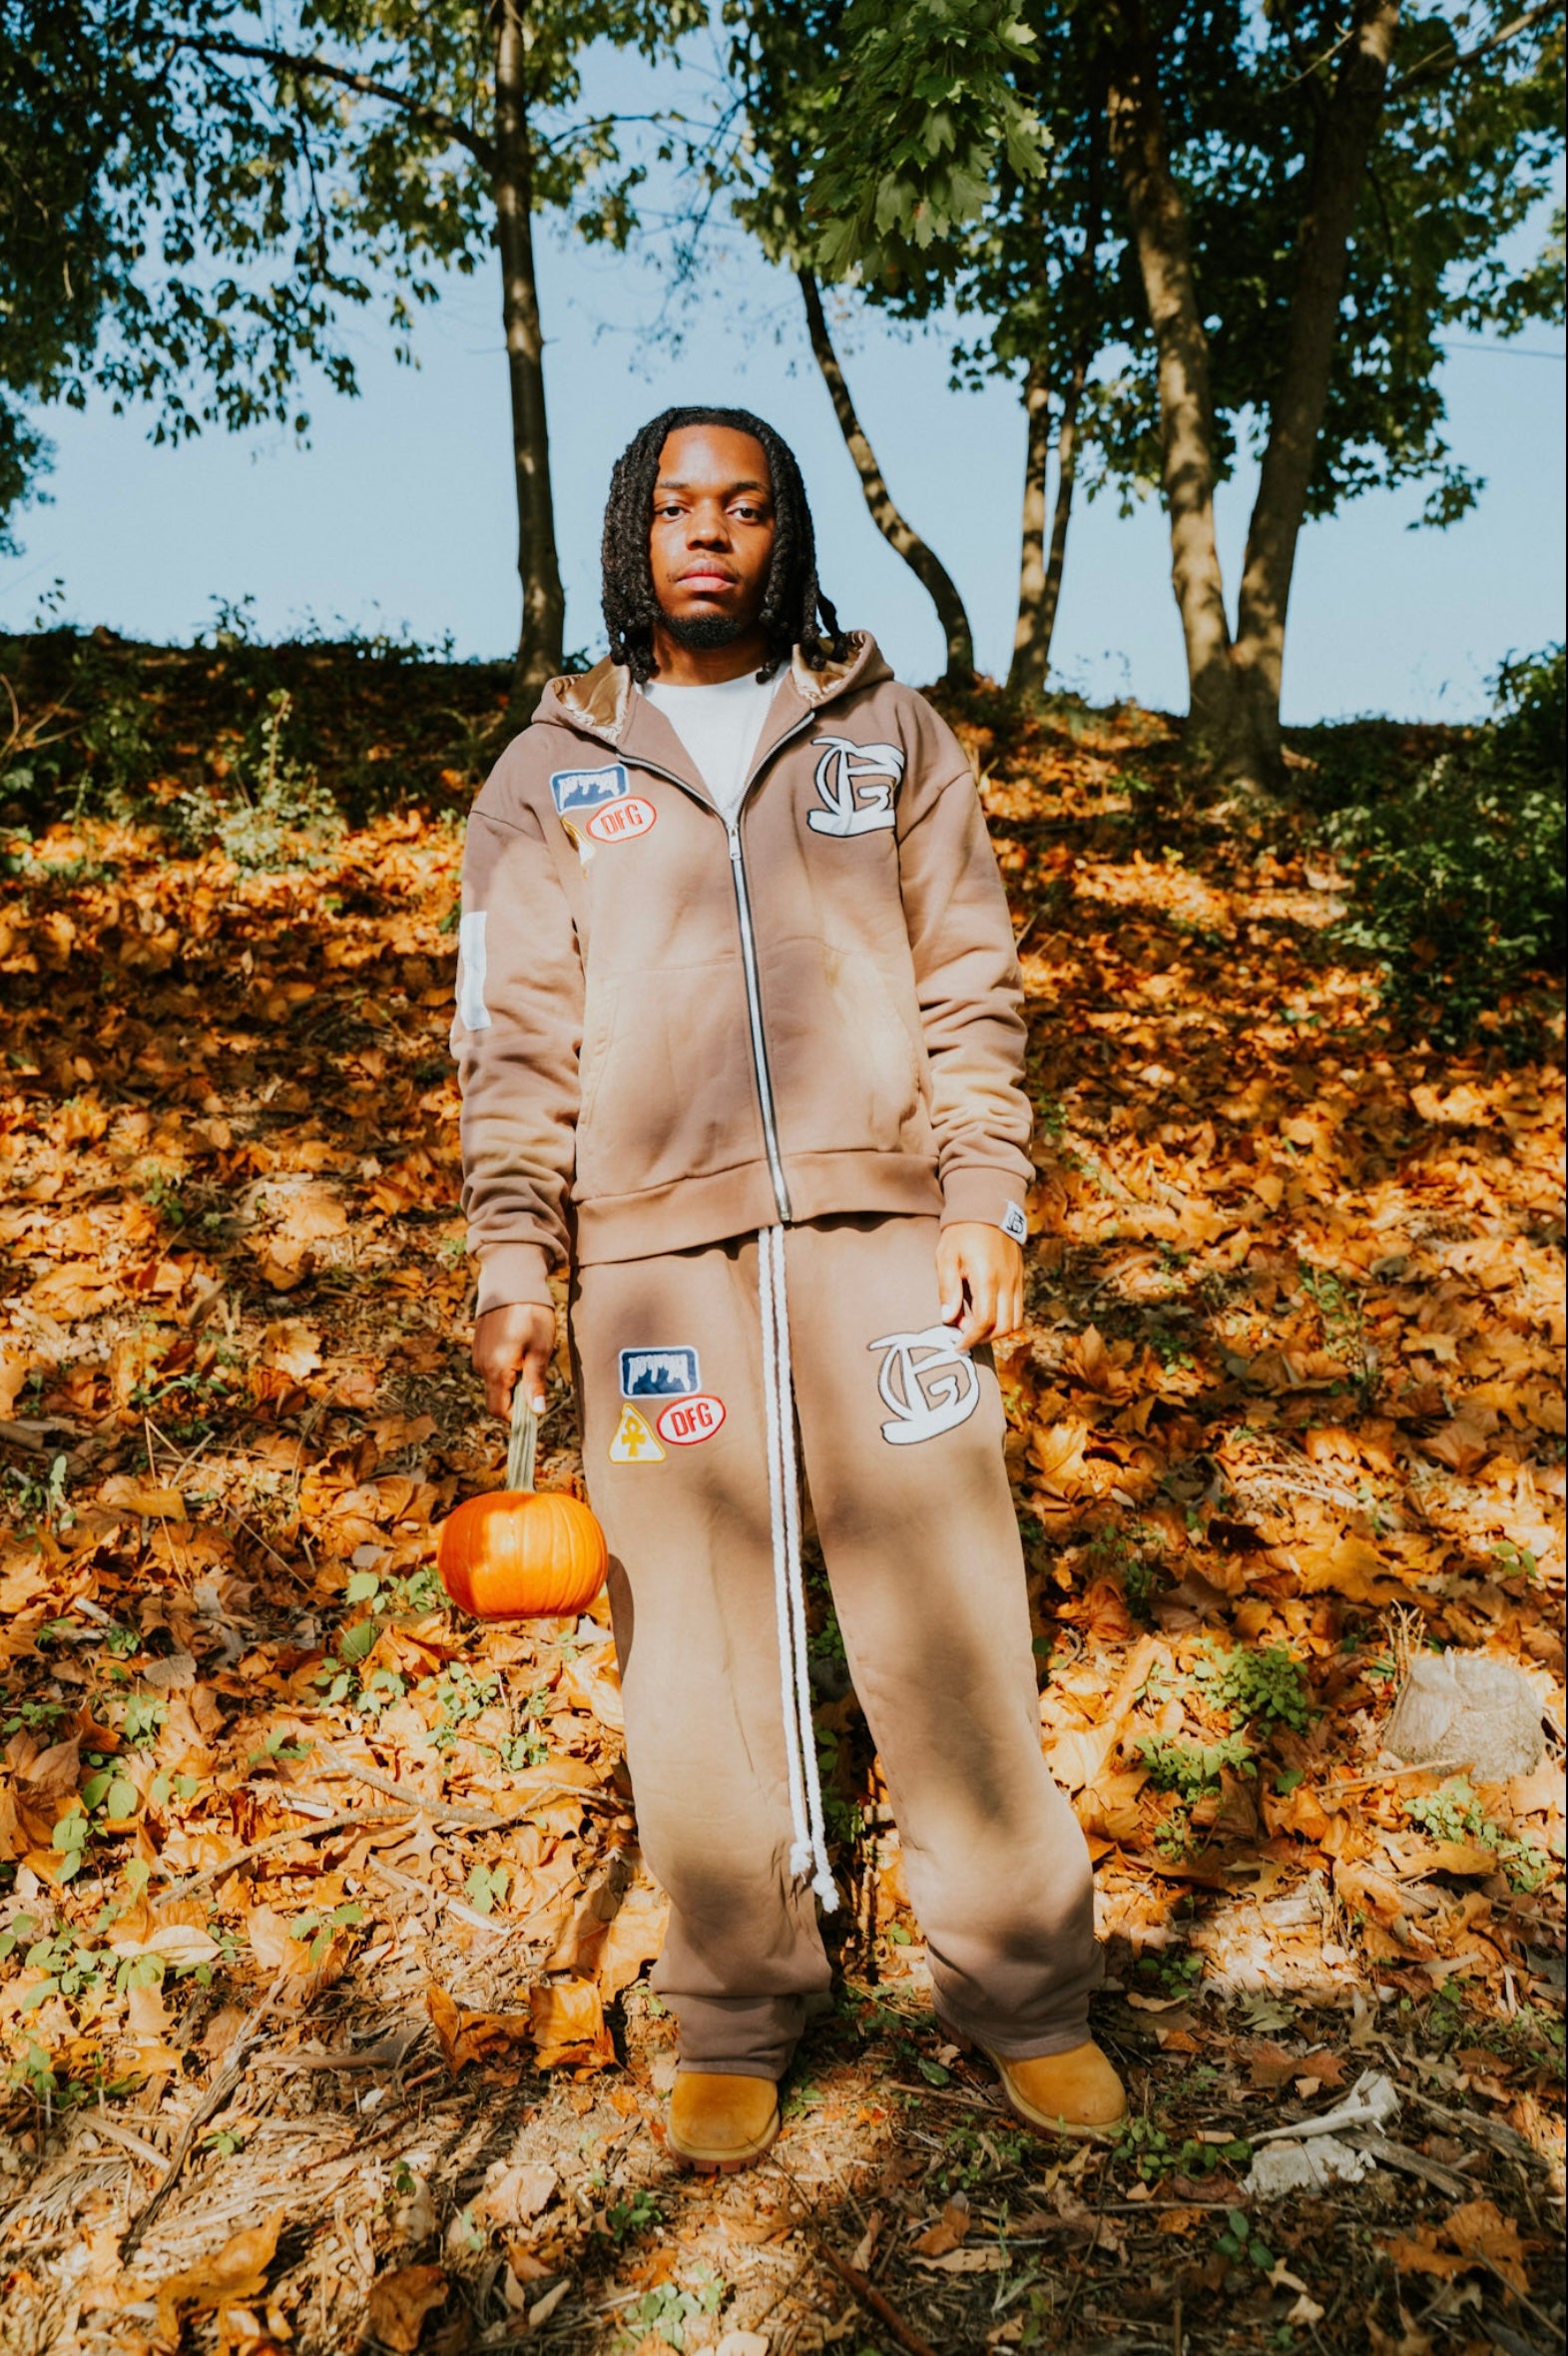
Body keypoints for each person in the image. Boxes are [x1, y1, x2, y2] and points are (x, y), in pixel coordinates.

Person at [451, 404, 1126, 2171]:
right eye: (677, 505)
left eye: (744, 507)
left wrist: (986, 1198)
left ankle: (1027, 1991)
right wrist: (515, 1254)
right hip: (650, 1270)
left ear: (784, 534)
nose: (709, 533)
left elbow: (969, 979)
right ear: (634, 532)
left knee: (951, 1607)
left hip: (882, 1236)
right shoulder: (548, 772)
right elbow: (511, 1039)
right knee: (686, 1644)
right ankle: (739, 2005)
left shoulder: (887, 733)